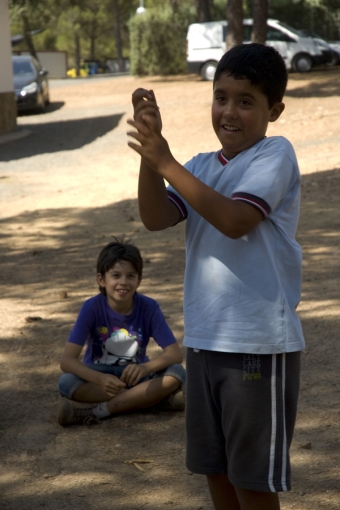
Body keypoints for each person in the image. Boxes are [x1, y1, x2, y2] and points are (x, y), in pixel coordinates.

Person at [127, 43, 305, 510]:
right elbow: (155, 216)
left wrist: (167, 163)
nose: (229, 111)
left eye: (246, 101)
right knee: (217, 472)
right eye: (220, 97)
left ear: (275, 110)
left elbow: (234, 220)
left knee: (252, 482)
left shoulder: (275, 155)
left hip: (258, 346)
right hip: (205, 341)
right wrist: (151, 156)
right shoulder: (205, 165)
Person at [57, 238, 186, 426]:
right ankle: (150, 401)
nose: (123, 283)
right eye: (116, 275)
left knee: (177, 373)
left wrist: (144, 368)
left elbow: (175, 354)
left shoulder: (149, 307)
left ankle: (102, 410)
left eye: (130, 276)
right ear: (101, 279)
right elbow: (66, 361)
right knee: (66, 382)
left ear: (139, 280)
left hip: (137, 375)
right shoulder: (91, 307)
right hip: (101, 376)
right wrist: (99, 379)